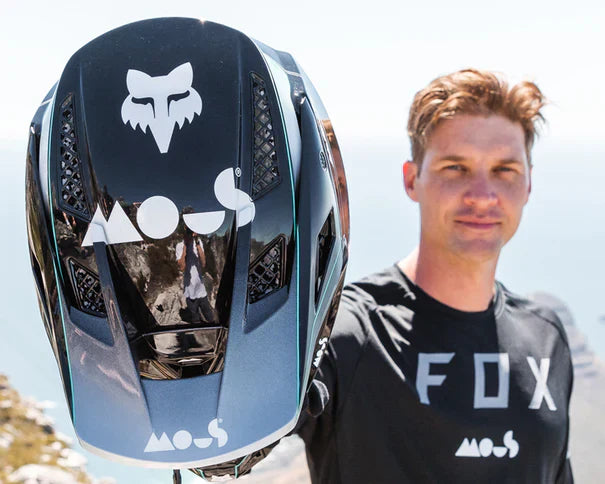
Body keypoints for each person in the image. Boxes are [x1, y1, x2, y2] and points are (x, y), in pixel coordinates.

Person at [297, 69, 574, 483]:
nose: (483, 195)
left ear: (529, 184)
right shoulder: (347, 333)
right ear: (412, 179)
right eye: (456, 167)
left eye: (505, 170)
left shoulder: (546, 338)